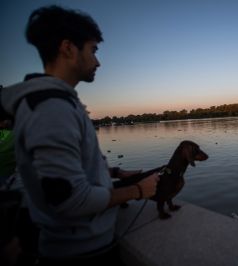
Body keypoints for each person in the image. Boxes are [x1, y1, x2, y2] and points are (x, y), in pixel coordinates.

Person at [0, 5, 159, 266]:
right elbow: (69, 199)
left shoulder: (55, 103)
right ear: (68, 48)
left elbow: (63, 173)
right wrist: (138, 190)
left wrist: (115, 173)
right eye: (93, 50)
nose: (98, 61)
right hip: (80, 253)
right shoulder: (52, 109)